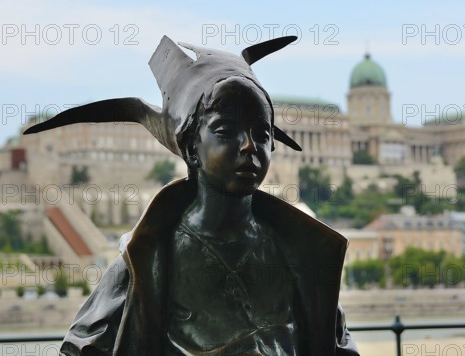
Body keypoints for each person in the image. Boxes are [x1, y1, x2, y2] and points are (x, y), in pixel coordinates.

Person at [25, 35, 360, 356]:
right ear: (191, 148)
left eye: (262, 134)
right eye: (226, 131)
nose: (249, 147)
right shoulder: (144, 261)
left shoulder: (303, 257)